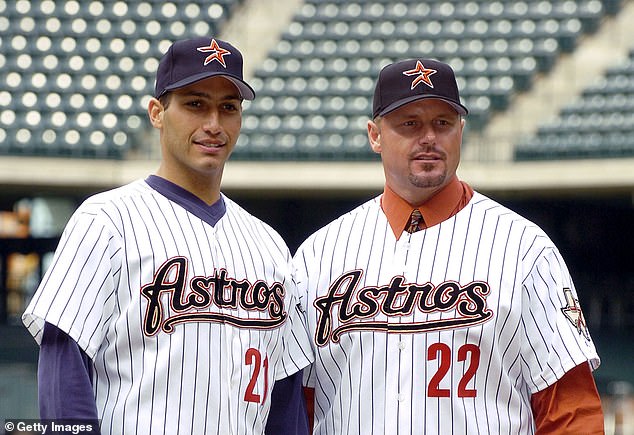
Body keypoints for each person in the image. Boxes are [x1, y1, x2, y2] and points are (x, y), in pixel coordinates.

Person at [294, 58, 604, 434]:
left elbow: (570, 410)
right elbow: (298, 408)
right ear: (374, 135)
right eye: (410, 124)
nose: (429, 137)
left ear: (461, 130)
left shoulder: (524, 248)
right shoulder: (319, 255)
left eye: (442, 123)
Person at [22, 37, 313, 435]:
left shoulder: (269, 245)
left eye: (228, 108)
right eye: (195, 104)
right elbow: (64, 368)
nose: (213, 124)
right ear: (157, 112)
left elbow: (285, 396)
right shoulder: (107, 220)